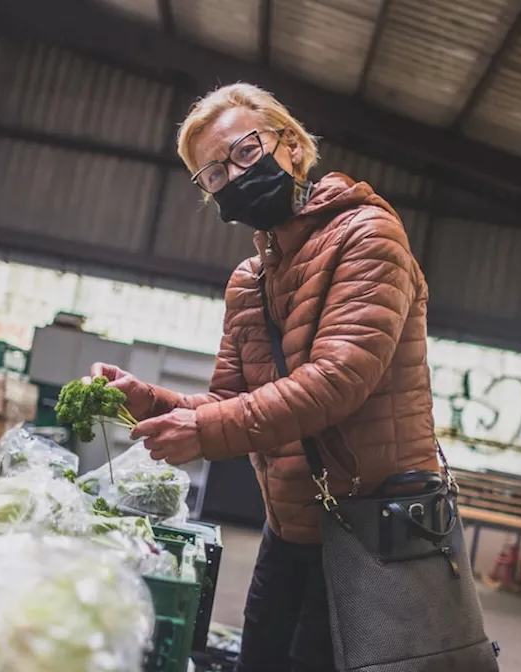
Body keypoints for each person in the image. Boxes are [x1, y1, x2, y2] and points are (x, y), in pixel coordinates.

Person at [90, 82, 443, 671]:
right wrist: (150, 401)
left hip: (370, 533)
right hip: (291, 529)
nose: (232, 176)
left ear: (294, 146)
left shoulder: (368, 235)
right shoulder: (249, 281)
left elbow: (339, 379)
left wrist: (204, 433)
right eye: (214, 174)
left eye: (245, 153)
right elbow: (232, 401)